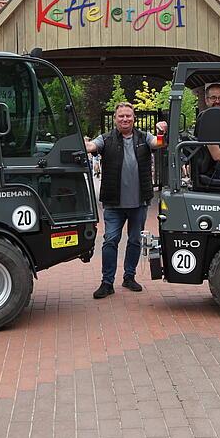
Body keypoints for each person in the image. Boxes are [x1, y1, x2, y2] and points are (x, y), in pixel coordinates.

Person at [84, 103, 167, 299]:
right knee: (111, 240)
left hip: (139, 202)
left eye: (128, 116)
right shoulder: (106, 139)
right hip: (114, 202)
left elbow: (159, 143)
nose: (125, 119)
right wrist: (82, 141)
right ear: (115, 119)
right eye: (121, 116)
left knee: (134, 240)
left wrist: (161, 132)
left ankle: (129, 277)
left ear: (134, 117)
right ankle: (107, 282)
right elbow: (91, 147)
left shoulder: (143, 137)